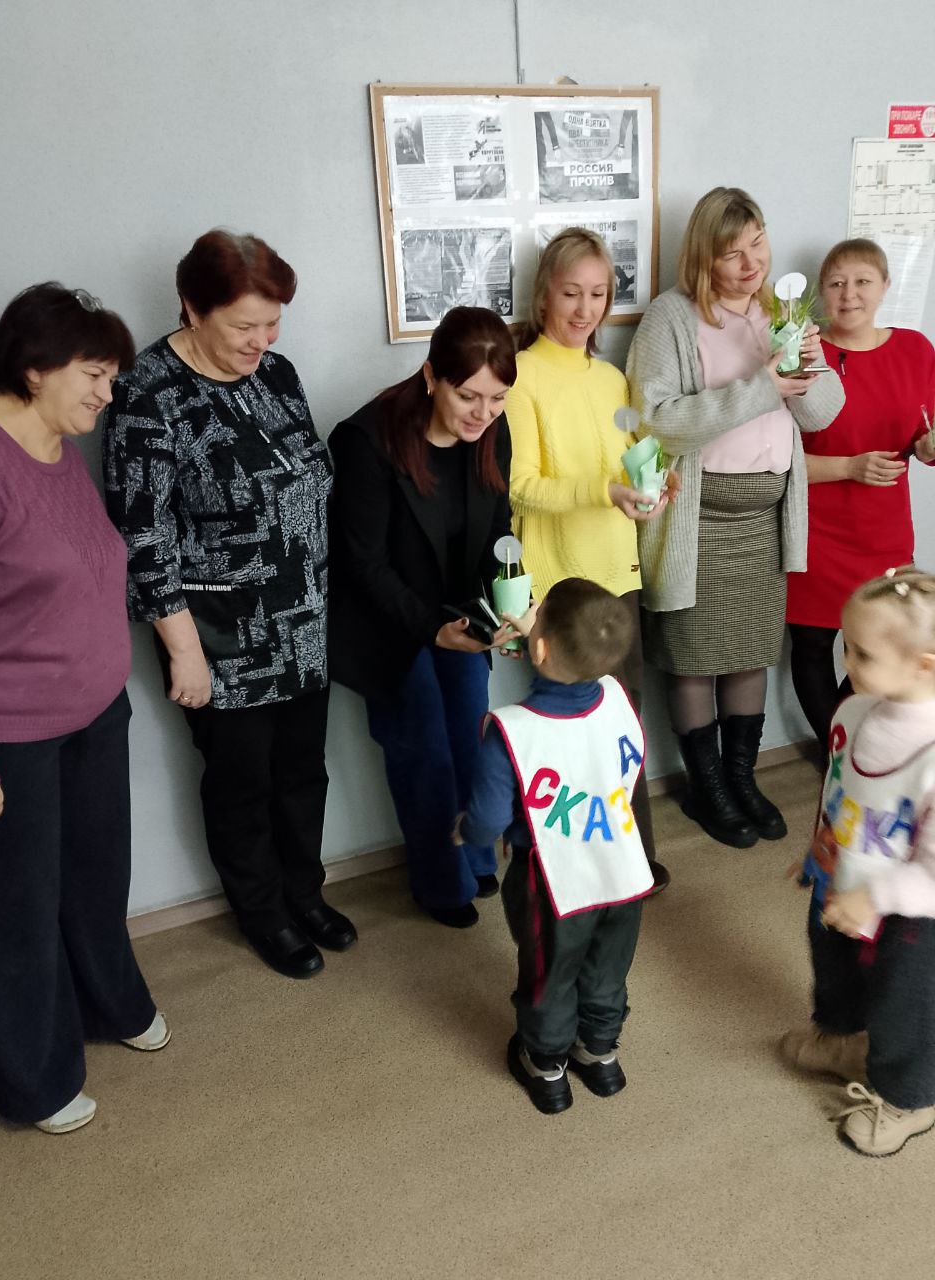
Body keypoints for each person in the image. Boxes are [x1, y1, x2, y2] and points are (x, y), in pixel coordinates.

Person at [103, 230, 355, 981]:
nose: (262, 340)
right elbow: (142, 535)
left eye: (272, 322)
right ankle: (263, 910)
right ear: (192, 306)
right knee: (242, 783)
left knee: (303, 773)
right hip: (219, 638)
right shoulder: (147, 394)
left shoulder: (277, 374)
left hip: (302, 622)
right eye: (245, 325)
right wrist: (183, 652)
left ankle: (304, 892)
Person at [0, 283, 168, 1136]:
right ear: (34, 367)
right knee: (16, 912)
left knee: (94, 881)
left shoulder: (55, 444)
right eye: (94, 375)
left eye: (112, 377)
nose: (107, 395)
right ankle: (33, 1080)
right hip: (11, 735)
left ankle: (106, 1004)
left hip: (94, 714)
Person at [626, 187, 844, 849]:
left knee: (750, 652)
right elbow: (657, 423)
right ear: (702, 257)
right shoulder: (671, 317)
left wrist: (807, 362)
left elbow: (821, 413)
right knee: (695, 658)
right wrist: (762, 387)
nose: (752, 264)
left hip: (765, 518)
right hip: (696, 521)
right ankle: (707, 787)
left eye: (758, 244)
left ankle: (742, 778)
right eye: (732, 254)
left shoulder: (780, 310)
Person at [328, 307, 517, 929]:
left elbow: (498, 528)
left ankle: (476, 857)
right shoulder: (367, 439)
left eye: (497, 398)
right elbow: (363, 562)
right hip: (387, 620)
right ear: (432, 376)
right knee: (424, 753)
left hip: (459, 612)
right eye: (468, 396)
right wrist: (428, 628)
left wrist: (512, 600)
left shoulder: (493, 429)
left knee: (471, 735)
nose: (483, 413)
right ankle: (440, 884)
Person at [506, 227, 672, 891]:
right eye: (572, 292)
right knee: (571, 736)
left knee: (623, 726)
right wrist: (604, 491)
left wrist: (652, 488)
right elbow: (522, 487)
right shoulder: (521, 376)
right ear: (544, 295)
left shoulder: (610, 378)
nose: (585, 308)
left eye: (599, 294)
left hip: (618, 575)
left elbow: (631, 462)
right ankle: (577, 868)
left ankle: (634, 858)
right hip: (561, 586)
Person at [458, 579, 653, 1114]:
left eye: (537, 613)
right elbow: (586, 681)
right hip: (624, 870)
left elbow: (488, 820)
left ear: (538, 648)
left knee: (551, 973)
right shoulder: (617, 694)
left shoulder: (512, 730)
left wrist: (465, 832)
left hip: (552, 883)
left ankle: (546, 1065)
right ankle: (600, 1054)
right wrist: (542, 639)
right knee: (608, 967)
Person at [780, 568, 935, 1157]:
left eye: (862, 654)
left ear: (923, 666)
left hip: (911, 911)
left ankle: (909, 1096)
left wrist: (875, 898)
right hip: (842, 877)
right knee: (832, 962)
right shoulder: (853, 714)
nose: (846, 662)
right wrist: (819, 849)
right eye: (846, 645)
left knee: (904, 1001)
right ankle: (843, 1038)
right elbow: (841, 787)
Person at [786, 239, 935, 751]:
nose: (849, 294)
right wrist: (849, 467)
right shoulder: (802, 354)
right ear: (821, 293)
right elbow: (774, 460)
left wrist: (928, 448)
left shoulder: (915, 349)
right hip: (815, 529)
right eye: (836, 283)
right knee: (811, 646)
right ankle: (838, 755)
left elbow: (924, 433)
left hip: (883, 531)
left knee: (881, 643)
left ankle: (860, 747)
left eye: (863, 282)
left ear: (885, 286)